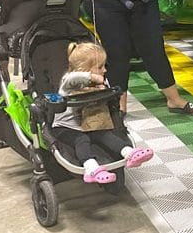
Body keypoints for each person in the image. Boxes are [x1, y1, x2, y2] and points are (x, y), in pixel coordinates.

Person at [52, 42, 154, 184]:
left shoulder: (101, 82)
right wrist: (92, 77)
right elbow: (72, 78)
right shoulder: (68, 83)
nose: (105, 70)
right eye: (100, 67)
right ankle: (91, 168)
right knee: (82, 140)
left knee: (106, 135)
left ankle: (129, 152)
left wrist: (103, 87)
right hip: (65, 127)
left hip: (90, 125)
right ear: (84, 69)